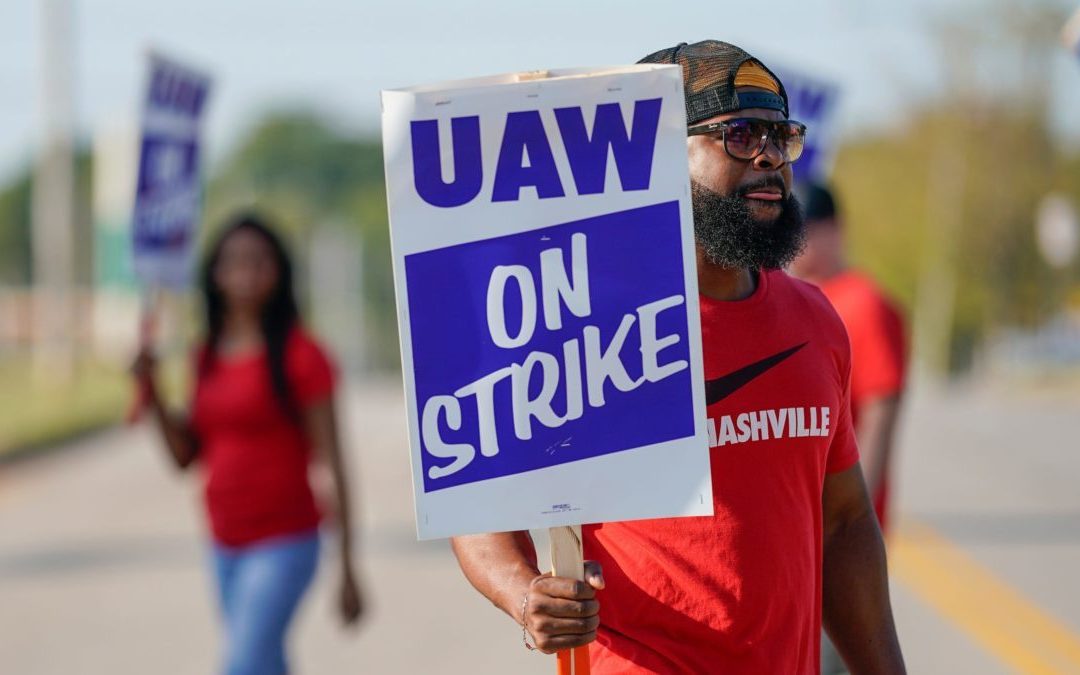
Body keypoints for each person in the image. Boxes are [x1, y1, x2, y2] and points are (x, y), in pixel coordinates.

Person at [449, 41, 905, 674]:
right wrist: (524, 594)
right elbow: (477, 507)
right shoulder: (579, 325)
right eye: (740, 135)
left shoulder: (814, 318)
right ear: (658, 153)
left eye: (782, 135)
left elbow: (845, 524)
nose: (770, 157)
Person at [132, 212, 363, 675]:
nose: (246, 273)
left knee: (242, 664)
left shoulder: (304, 355)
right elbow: (185, 458)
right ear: (215, 274)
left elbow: (336, 466)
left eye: (258, 262)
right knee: (264, 662)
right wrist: (153, 393)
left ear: (278, 272)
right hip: (223, 542)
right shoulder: (205, 355)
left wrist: (348, 569)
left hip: (286, 542)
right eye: (233, 262)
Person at [789, 182, 908, 675]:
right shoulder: (796, 297)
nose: (799, 242)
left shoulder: (862, 303)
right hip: (801, 526)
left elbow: (881, 413)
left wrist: (860, 509)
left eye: (810, 230)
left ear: (834, 231)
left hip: (840, 522)